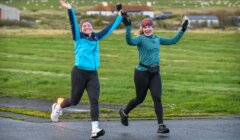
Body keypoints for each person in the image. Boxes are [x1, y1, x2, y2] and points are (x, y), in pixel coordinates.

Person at [51, 0, 124, 139]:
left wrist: (119, 16)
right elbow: (73, 23)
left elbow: (109, 28)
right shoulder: (78, 37)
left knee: (94, 100)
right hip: (79, 73)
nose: (86, 27)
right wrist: (70, 9)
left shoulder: (97, 37)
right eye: (84, 26)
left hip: (93, 75)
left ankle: (95, 129)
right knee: (74, 100)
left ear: (92, 28)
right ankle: (58, 107)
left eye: (88, 25)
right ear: (82, 29)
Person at [119, 17, 188, 134]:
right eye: (145, 27)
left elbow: (172, 41)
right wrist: (128, 27)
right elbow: (129, 42)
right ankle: (124, 112)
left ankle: (161, 125)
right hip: (141, 73)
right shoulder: (140, 39)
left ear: (152, 27)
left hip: (155, 73)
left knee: (157, 98)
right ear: (142, 29)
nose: (147, 29)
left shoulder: (157, 39)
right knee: (139, 99)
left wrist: (182, 31)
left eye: (149, 26)